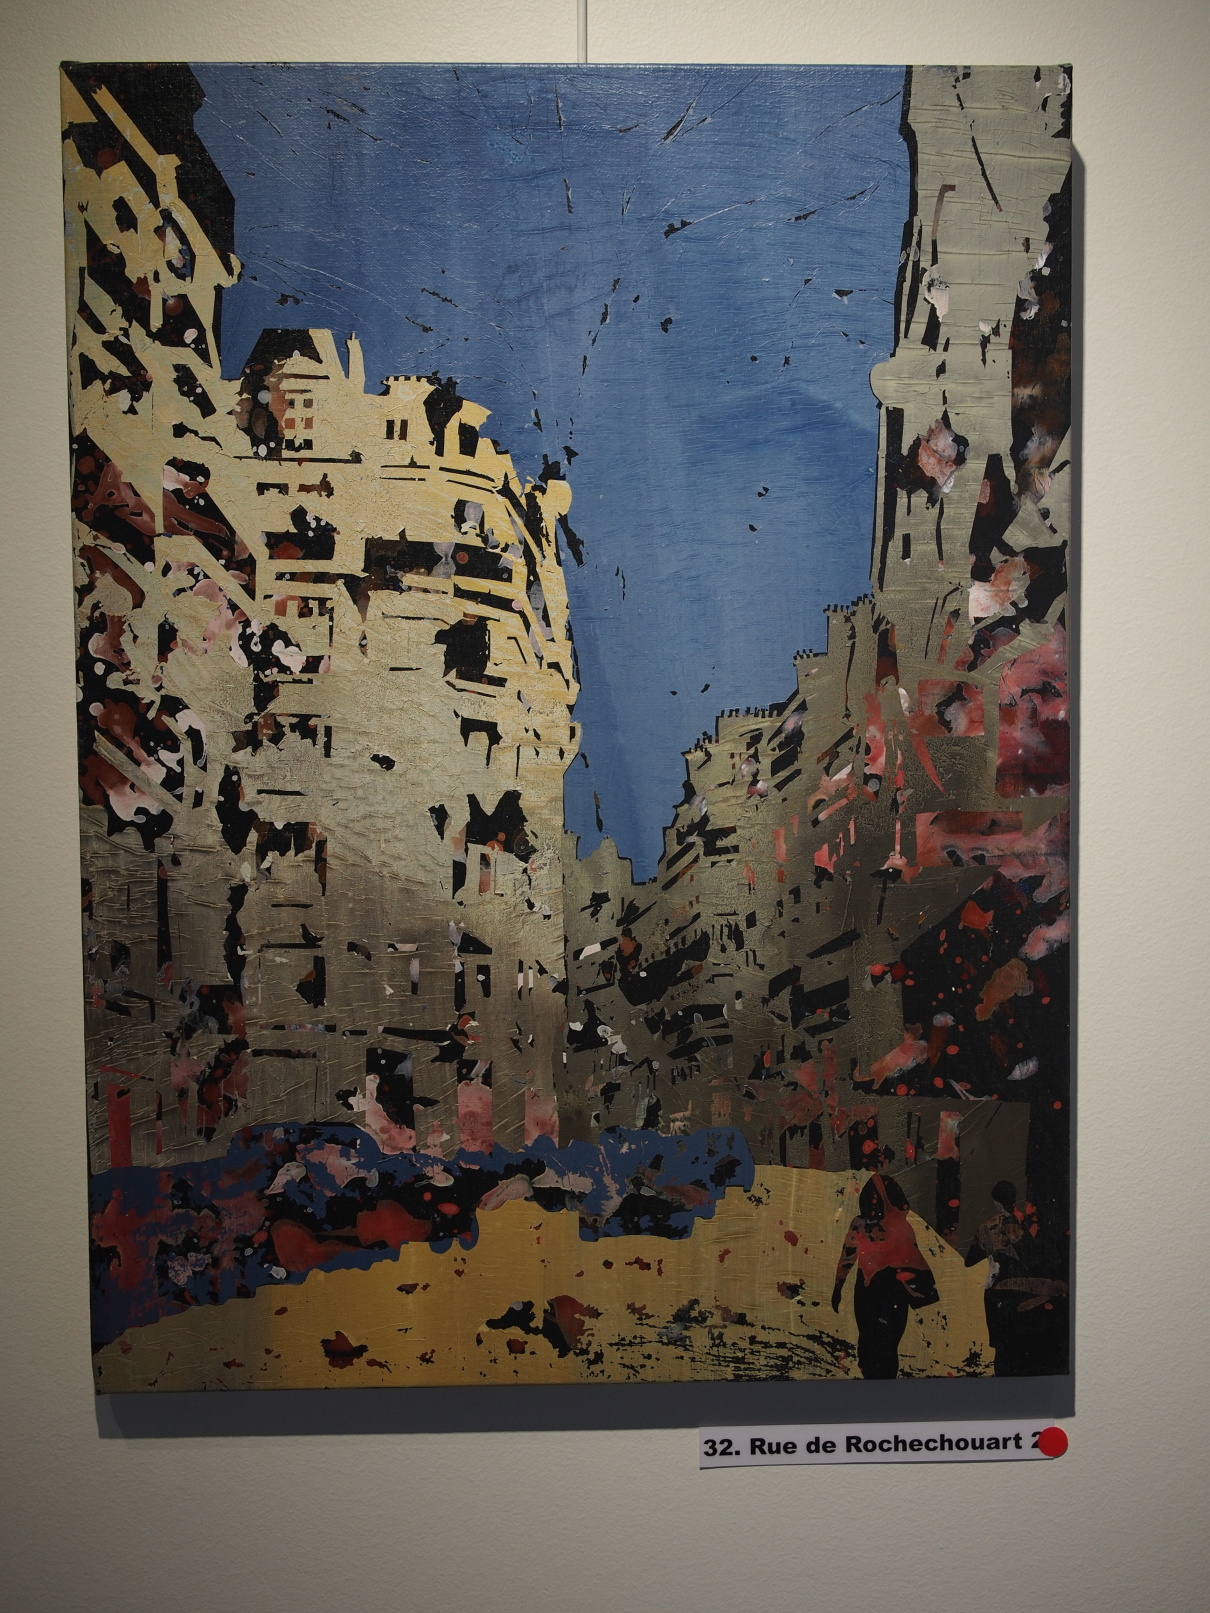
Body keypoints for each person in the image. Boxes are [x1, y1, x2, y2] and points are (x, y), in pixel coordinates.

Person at [832, 1174, 938, 1379]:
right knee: (869, 1344)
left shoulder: (900, 1227)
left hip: (890, 1294)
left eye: (876, 1198)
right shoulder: (861, 1224)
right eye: (870, 1198)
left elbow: (913, 1262)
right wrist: (838, 1287)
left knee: (887, 1346)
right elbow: (847, 1257)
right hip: (869, 1291)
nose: (873, 1204)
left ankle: (883, 1387)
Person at [965, 1179, 1068, 1375]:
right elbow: (1037, 1260)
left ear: (995, 1201)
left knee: (1002, 1350)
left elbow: (970, 1260)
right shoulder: (1026, 1223)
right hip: (1025, 1293)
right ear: (1014, 1199)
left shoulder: (987, 1226)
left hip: (997, 1294)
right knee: (1023, 1347)